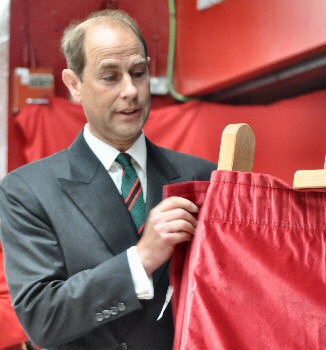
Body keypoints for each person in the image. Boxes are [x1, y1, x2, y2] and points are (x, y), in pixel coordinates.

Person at [0, 9, 216, 350]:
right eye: (110, 77)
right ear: (74, 84)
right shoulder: (27, 192)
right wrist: (141, 259)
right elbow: (43, 319)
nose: (131, 90)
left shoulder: (203, 177)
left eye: (138, 73)